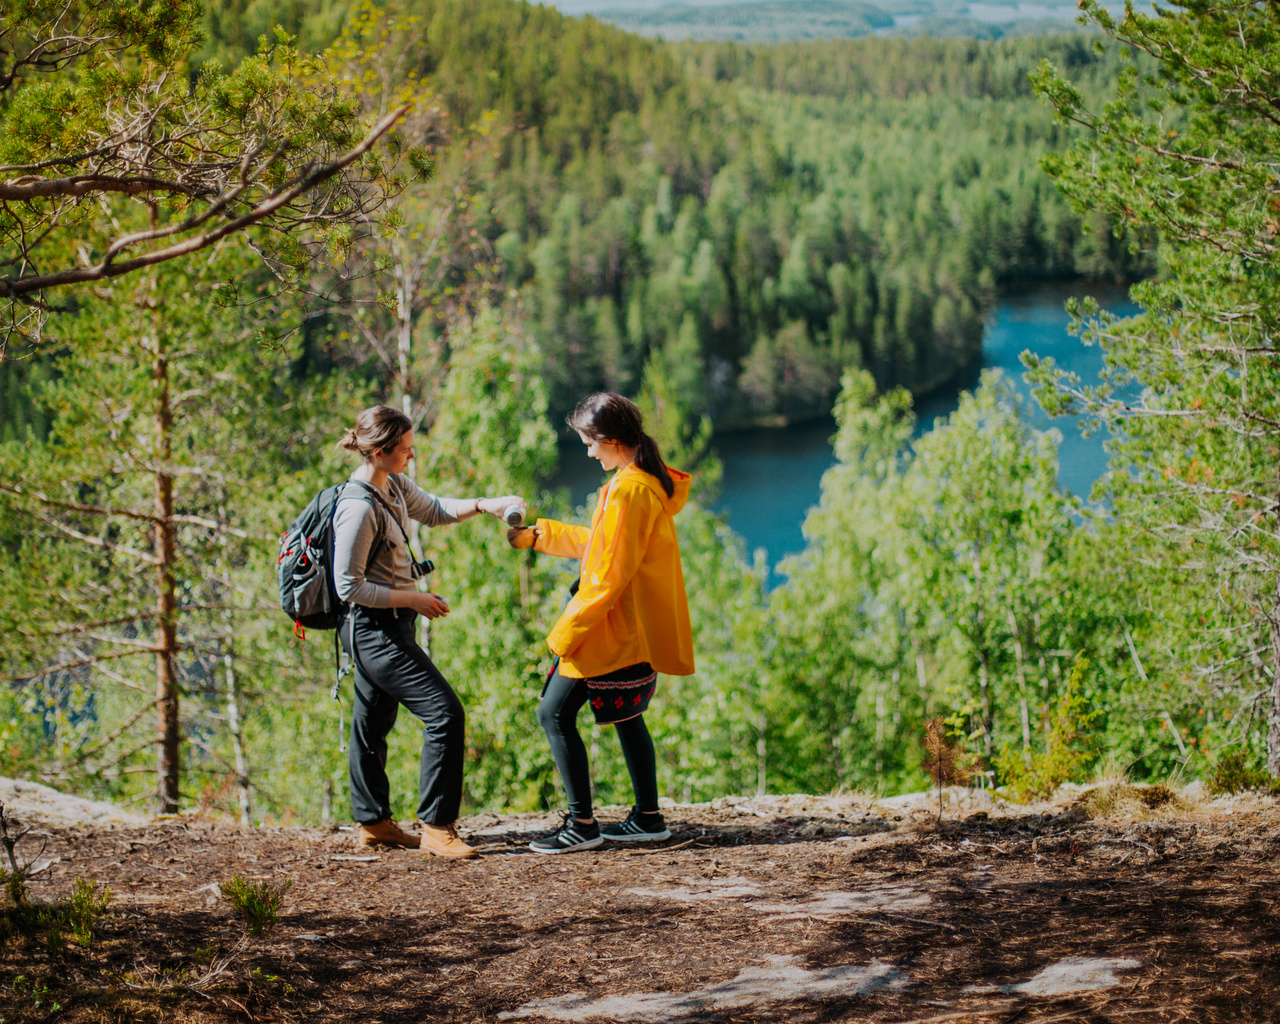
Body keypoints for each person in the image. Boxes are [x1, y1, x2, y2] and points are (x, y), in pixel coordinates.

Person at [333, 404, 524, 859]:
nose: (411, 457)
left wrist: (484, 505)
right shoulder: (358, 508)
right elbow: (349, 586)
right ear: (378, 451)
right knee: (444, 714)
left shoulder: (393, 485)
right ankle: (438, 827)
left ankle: (375, 822)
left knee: (371, 724)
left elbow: (435, 510)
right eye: (404, 450)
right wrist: (414, 599)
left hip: (391, 626)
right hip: (373, 631)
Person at [509, 392, 695, 853]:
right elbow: (604, 546)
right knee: (628, 717)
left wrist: (563, 634)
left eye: (590, 443)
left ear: (612, 441)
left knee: (552, 713)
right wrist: (538, 536)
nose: (588, 452)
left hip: (610, 626)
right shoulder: (642, 483)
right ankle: (649, 818)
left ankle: (582, 826)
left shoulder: (629, 490)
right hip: (632, 626)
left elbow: (608, 576)